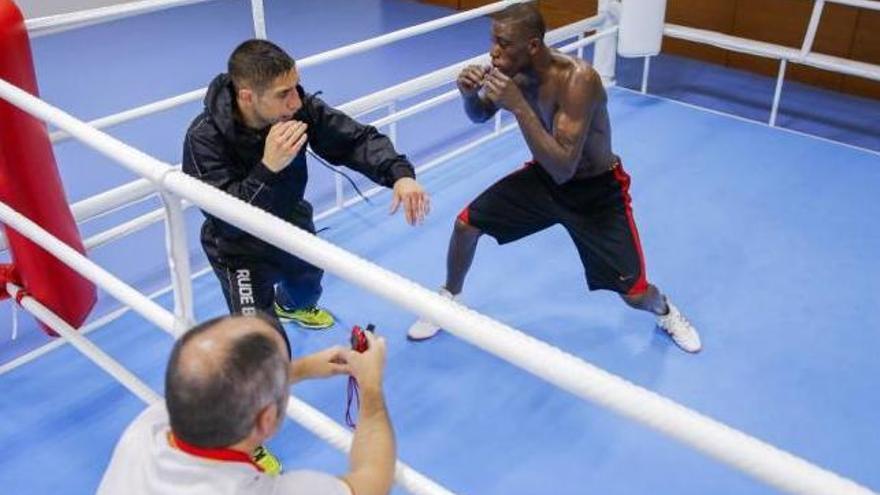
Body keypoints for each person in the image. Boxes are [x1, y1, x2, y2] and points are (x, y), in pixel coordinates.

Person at [406, 3, 701, 353]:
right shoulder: (512, 68)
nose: (493, 51)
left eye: (503, 43)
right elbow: (480, 115)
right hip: (545, 180)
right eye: (493, 41)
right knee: (466, 226)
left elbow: (565, 165)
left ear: (532, 45)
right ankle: (448, 298)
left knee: (635, 294)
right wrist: (468, 95)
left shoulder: (578, 80)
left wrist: (517, 105)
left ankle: (666, 311)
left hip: (596, 193)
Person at [183, 39, 430, 329]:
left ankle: (288, 306)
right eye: (283, 94)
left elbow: (354, 140)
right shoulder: (204, 139)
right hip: (239, 249)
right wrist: (267, 169)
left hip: (291, 221)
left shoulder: (297, 109)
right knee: (262, 346)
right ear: (247, 97)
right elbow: (227, 221)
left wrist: (400, 174)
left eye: (296, 87)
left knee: (305, 294)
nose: (296, 102)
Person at [98, 314, 395, 495]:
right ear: (266, 420)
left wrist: (301, 368)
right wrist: (371, 386)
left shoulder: (142, 432)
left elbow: (216, 387)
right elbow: (373, 478)